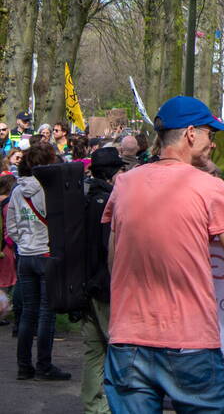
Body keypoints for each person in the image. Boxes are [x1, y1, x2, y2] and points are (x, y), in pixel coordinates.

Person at [101, 96, 224, 411]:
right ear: (191, 133)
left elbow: (114, 261)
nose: (213, 144)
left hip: (127, 340)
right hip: (189, 344)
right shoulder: (209, 188)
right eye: (210, 134)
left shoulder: (124, 185)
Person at [6, 142, 71, 380]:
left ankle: (24, 366)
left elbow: (12, 226)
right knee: (46, 313)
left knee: (27, 313)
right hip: (46, 254)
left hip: (25, 256)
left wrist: (23, 243)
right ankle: (44, 365)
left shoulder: (16, 190)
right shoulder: (49, 191)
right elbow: (61, 223)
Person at [81, 147, 124, 413]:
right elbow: (110, 249)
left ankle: (94, 406)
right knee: (118, 348)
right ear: (112, 174)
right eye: (120, 170)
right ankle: (118, 405)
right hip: (105, 286)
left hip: (83, 284)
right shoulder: (109, 202)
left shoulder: (83, 199)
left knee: (93, 351)